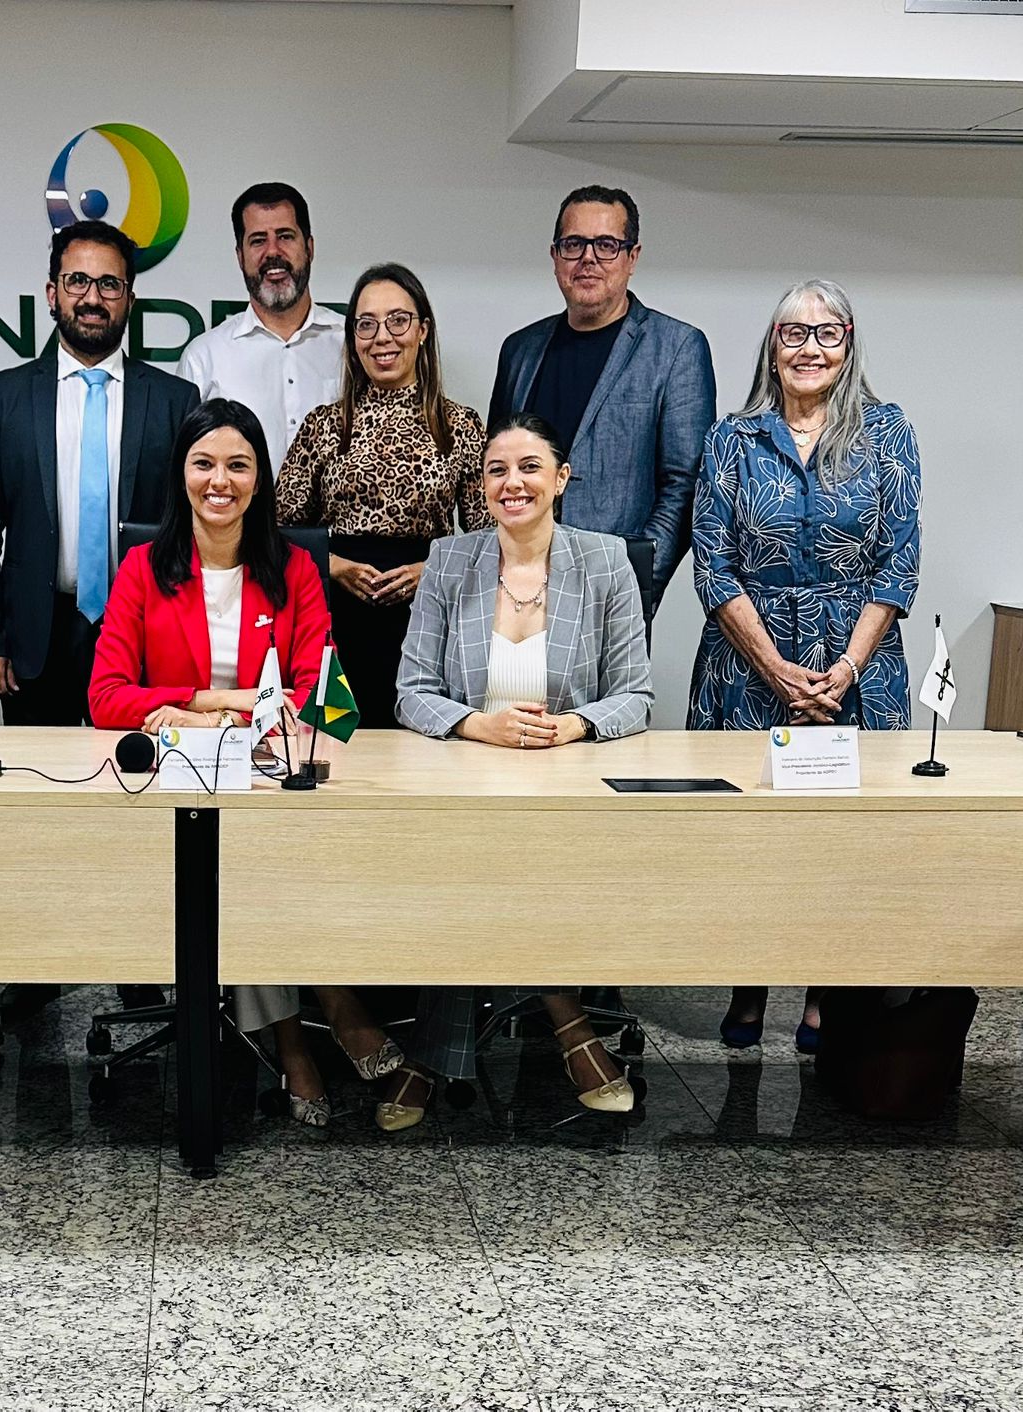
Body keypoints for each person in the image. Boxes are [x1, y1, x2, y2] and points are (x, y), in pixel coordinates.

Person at [89, 399, 404, 1126]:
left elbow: (319, 692)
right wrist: (216, 698)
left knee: (252, 859)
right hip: (172, 792)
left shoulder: (294, 569)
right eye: (204, 463)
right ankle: (311, 1023)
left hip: (268, 781)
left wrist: (212, 712)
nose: (220, 481)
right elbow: (106, 695)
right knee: (234, 864)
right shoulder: (143, 569)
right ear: (181, 474)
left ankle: (295, 1029)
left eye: (238, 465)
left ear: (260, 479)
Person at [0, 218, 199, 1017]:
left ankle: (141, 958)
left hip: (141, 638)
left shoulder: (174, 400)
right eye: (78, 281)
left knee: (143, 793)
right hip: (40, 630)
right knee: (43, 805)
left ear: (130, 298)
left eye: (109, 284)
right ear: (52, 292)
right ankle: (40, 961)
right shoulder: (5, 396)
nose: (93, 297)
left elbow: (188, 532)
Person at [386, 412, 652, 1131]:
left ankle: (428, 1056)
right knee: (469, 867)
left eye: (530, 467)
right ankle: (572, 1028)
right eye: (497, 470)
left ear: (561, 479)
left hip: (567, 793)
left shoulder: (605, 561)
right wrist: (481, 726)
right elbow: (411, 690)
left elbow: (635, 694)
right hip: (461, 789)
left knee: (511, 872)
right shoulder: (450, 560)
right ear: (481, 485)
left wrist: (572, 726)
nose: (513, 483)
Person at [689, 279, 921, 1054]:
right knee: (752, 838)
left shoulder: (888, 432)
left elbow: (898, 565)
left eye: (827, 333)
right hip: (747, 668)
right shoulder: (732, 437)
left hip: (858, 670)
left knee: (839, 840)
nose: (810, 348)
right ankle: (748, 983)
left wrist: (844, 668)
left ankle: (825, 990)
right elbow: (713, 565)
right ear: (773, 345)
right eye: (794, 333)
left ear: (848, 343)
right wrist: (776, 669)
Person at [277, 262, 489, 729]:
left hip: (429, 619)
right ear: (353, 338)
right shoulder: (323, 426)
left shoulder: (460, 426)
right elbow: (275, 534)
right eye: (366, 324)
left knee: (423, 748)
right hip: (334, 620)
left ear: (423, 330)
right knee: (335, 747)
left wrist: (432, 571)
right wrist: (333, 566)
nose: (382, 338)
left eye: (398, 320)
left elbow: (493, 543)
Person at [486, 185, 714, 616]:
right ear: (555, 256)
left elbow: (684, 486)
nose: (588, 258)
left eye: (606, 245)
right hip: (515, 593)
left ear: (632, 257)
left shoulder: (677, 348)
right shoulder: (519, 350)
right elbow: (497, 469)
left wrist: (635, 584)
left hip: (613, 596)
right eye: (574, 244)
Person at [177, 182, 343, 470]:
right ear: (240, 256)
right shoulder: (203, 359)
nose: (272, 252)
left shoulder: (352, 344)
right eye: (257, 240)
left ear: (309, 248)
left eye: (285, 236)